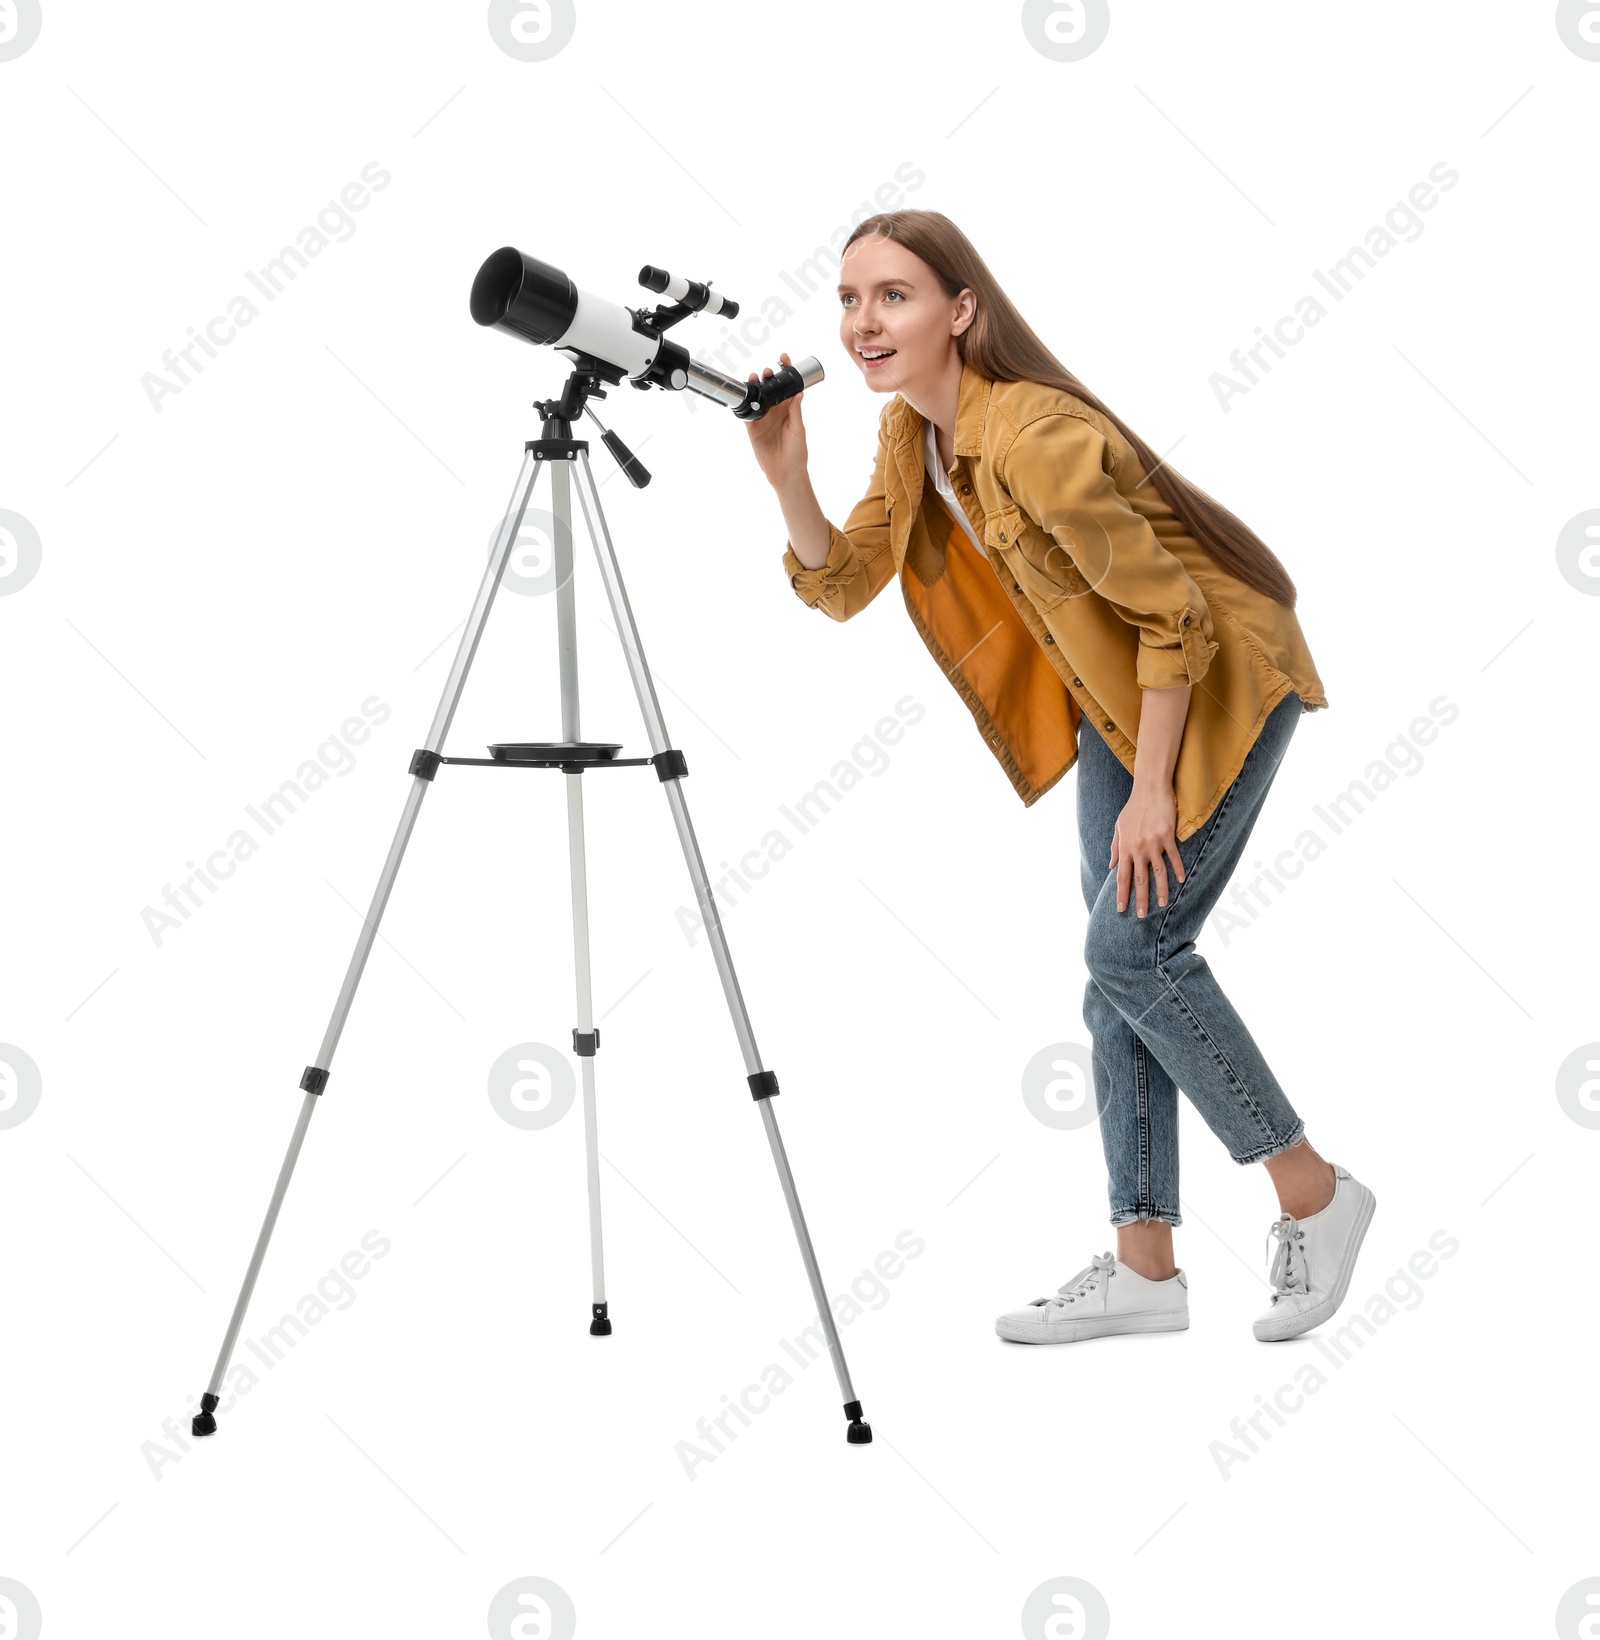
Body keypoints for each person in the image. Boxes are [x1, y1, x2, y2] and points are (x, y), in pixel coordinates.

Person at [745, 209, 1375, 1347]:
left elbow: (1175, 612)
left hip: (1218, 676)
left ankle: (1315, 1194)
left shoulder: (1031, 434)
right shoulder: (908, 435)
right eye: (847, 298)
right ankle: (1145, 1264)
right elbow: (841, 583)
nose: (862, 322)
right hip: (1114, 695)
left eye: (892, 295)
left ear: (961, 310)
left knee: (1131, 947)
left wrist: (1150, 786)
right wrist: (787, 472)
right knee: (1116, 972)